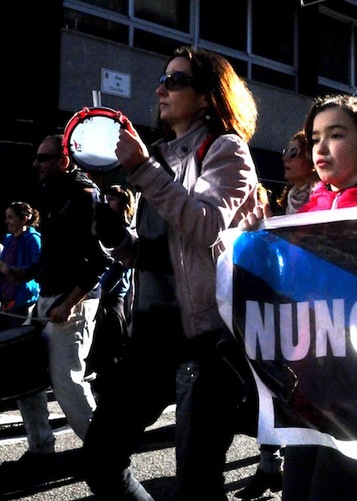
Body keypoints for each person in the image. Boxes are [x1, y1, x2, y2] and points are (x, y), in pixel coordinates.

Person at [81, 45, 259, 500]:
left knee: (197, 483)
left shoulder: (225, 151)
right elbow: (160, 254)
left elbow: (203, 226)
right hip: (150, 339)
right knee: (100, 459)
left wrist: (142, 169)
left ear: (206, 97)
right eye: (162, 78)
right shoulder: (159, 157)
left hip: (205, 342)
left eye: (176, 80)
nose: (161, 88)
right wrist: (118, 240)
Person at [240, 93, 357, 501]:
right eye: (314, 136)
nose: (320, 147)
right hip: (307, 392)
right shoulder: (305, 209)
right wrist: (253, 244)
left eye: (336, 135)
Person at [12, 135, 109, 466]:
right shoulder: (54, 193)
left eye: (43, 158)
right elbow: (55, 252)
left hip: (73, 301)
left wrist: (70, 302)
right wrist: (23, 275)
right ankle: (41, 447)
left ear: (64, 160)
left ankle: (104, 456)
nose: (36, 163)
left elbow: (101, 260)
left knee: (66, 380)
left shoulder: (85, 196)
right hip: (49, 296)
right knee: (25, 374)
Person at [234, 131, 317, 500]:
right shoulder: (287, 203)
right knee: (271, 392)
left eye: (294, 152)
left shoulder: (323, 200)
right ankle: (270, 466)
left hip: (314, 318)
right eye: (285, 150)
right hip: (279, 311)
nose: (285, 157)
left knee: (299, 398)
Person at [84, 185, 135, 396]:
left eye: (112, 199)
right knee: (101, 346)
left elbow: (119, 267)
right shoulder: (103, 227)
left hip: (115, 298)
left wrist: (102, 289)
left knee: (112, 345)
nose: (108, 203)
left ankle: (114, 389)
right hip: (103, 295)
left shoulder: (125, 230)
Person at [0, 201, 41, 330]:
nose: (7, 221)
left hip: (22, 300)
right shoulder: (8, 239)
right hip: (6, 298)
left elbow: (37, 268)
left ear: (24, 219)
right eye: (6, 217)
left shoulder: (33, 239)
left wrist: (11, 270)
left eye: (11, 217)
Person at [274, 130, 319, 216]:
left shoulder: (324, 197)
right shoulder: (285, 203)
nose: (285, 159)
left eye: (293, 153)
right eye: (285, 152)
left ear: (310, 158)